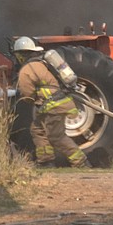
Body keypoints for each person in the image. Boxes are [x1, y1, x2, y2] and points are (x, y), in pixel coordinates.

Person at [13, 36, 89, 168]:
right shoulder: (42, 62)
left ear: (20, 55)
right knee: (37, 130)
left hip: (54, 106)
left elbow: (27, 94)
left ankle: (81, 162)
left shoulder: (26, 70)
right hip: (56, 104)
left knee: (56, 136)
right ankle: (46, 161)